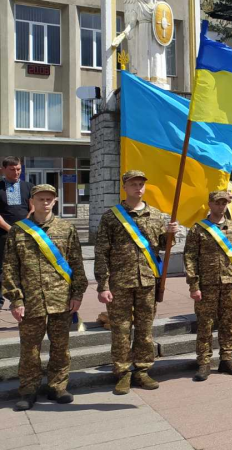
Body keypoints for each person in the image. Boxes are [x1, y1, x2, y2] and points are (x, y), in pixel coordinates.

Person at [3, 185, 88, 410]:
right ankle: (29, 389)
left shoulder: (66, 228)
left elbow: (77, 264)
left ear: (56, 200)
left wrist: (77, 294)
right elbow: (10, 267)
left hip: (61, 299)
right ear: (32, 201)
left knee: (60, 346)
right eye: (41, 199)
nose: (45, 203)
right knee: (30, 348)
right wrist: (16, 299)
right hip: (30, 301)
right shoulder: (18, 231)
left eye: (49, 199)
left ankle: (57, 386)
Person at [95, 170, 178, 395]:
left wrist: (171, 234)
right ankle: (122, 373)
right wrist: (102, 285)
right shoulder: (111, 217)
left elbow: (162, 246)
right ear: (125, 187)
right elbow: (102, 252)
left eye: (141, 184)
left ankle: (142, 370)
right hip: (120, 282)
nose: (138, 188)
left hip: (148, 281)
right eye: (133, 184)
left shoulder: (156, 216)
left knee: (144, 329)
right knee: (120, 330)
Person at [185, 191, 232, 382]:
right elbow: (190, 259)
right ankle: (204, 362)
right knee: (205, 325)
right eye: (217, 203)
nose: (221, 206)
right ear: (209, 204)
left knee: (228, 324)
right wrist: (193, 285)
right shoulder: (198, 229)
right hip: (206, 285)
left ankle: (226, 358)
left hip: (231, 284)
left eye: (224, 203)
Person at [1, 157, 34, 309]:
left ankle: (22, 301)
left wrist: (23, 226)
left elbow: (33, 209)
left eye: (19, 169)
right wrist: (10, 229)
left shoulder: (28, 187)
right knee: (2, 268)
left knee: (25, 267)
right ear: (3, 169)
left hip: (25, 233)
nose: (16, 172)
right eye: (12, 169)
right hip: (2, 235)